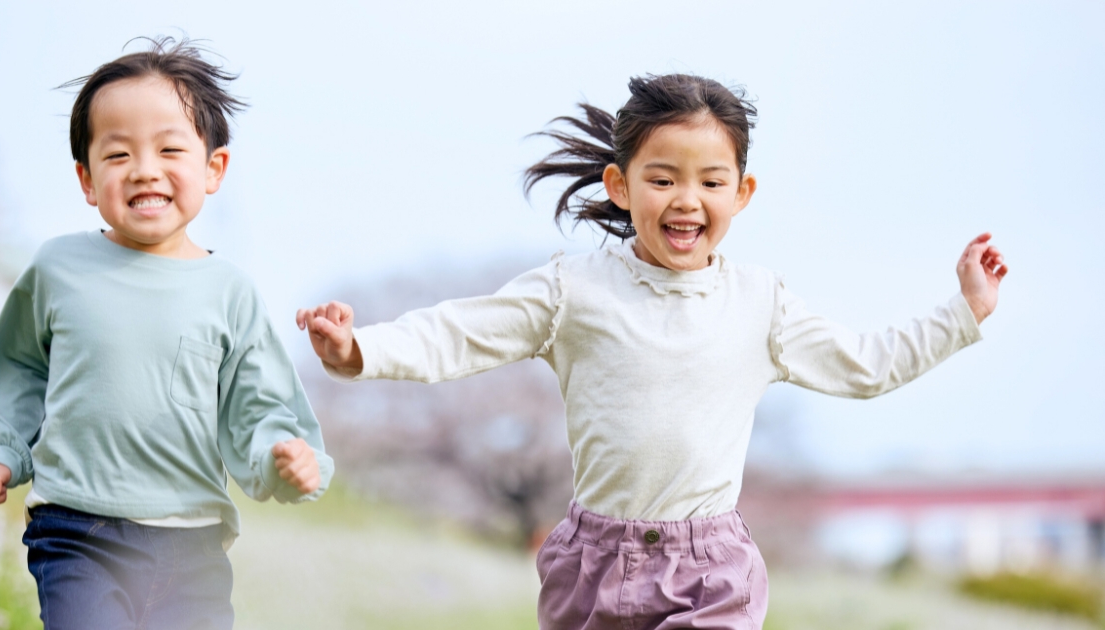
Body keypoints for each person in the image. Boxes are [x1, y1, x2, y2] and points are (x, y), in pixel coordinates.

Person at [298, 73, 1006, 629]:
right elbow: (460, 333)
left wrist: (962, 312)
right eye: (662, 179)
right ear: (620, 185)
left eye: (710, 181)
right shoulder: (574, 290)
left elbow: (868, 365)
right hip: (591, 565)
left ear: (743, 192)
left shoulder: (761, 303)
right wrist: (357, 349)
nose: (686, 200)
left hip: (711, 571)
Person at [0, 37, 333, 630]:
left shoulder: (228, 291)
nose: (144, 169)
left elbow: (257, 407)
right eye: (117, 156)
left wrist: (282, 459)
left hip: (193, 544)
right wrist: (1, 453)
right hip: (76, 529)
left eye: (169, 149)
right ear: (86, 179)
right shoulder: (58, 269)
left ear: (214, 168)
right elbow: (15, 369)